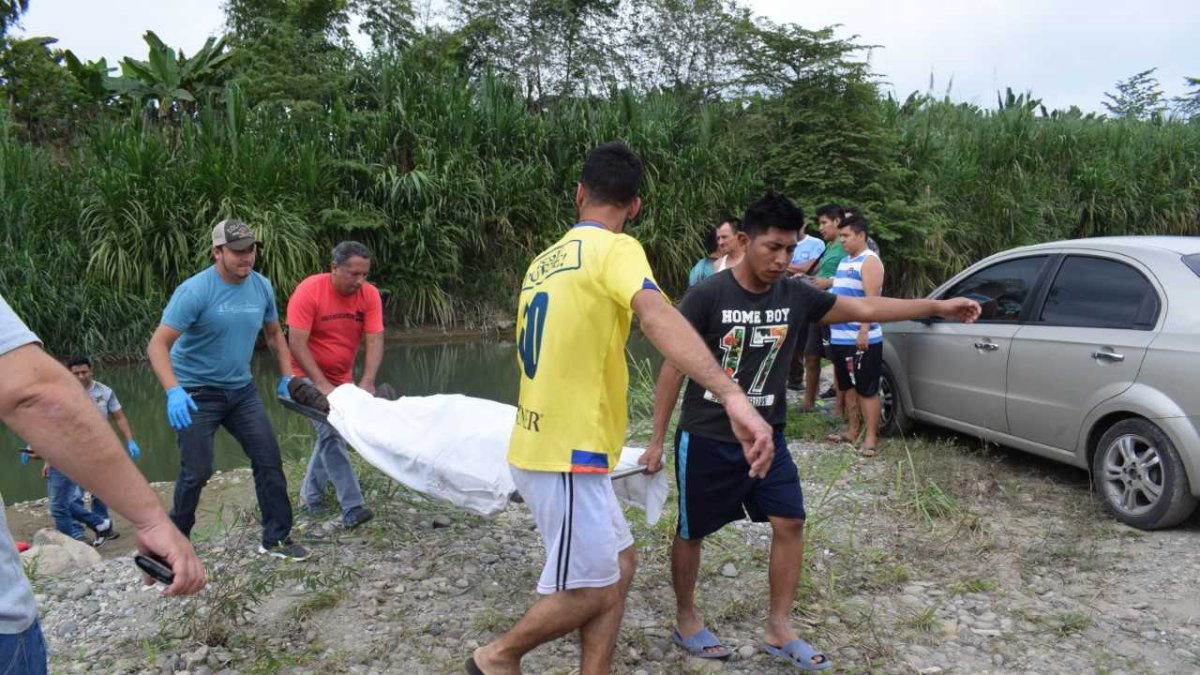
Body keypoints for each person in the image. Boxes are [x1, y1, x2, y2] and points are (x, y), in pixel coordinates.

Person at [466, 142, 775, 675]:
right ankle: (496, 658)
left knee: (621, 563)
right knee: (593, 587)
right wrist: (731, 394)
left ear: (579, 193)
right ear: (634, 206)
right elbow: (656, 315)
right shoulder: (616, 249)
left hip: (557, 442)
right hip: (564, 451)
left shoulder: (542, 262)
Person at [639, 193, 980, 671]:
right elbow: (673, 368)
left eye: (789, 248)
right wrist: (656, 440)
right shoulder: (707, 295)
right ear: (743, 241)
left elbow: (864, 309)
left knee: (791, 521)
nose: (782, 260)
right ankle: (687, 618)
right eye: (772, 248)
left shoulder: (796, 294)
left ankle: (779, 627)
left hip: (768, 437)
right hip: (708, 435)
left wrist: (937, 307)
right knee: (693, 531)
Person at [0, 294, 205, 674]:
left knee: (70, 503)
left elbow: (112, 415)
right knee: (62, 504)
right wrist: (151, 520)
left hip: (80, 448)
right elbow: (35, 397)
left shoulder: (103, 391)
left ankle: (93, 530)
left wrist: (128, 439)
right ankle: (83, 535)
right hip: (68, 448)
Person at [147, 218, 308, 561]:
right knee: (197, 471)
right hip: (195, 392)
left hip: (241, 390)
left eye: (249, 249)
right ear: (217, 252)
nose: (245, 257)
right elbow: (157, 345)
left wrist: (287, 376)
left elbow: (275, 334)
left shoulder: (261, 286)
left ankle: (276, 539)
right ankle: (176, 546)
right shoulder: (195, 291)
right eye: (236, 252)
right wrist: (173, 390)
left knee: (268, 459)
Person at [287, 240, 383, 529]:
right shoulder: (310, 291)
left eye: (364, 274)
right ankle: (352, 506)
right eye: (354, 274)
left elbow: (375, 338)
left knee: (332, 432)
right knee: (331, 428)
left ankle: (309, 498)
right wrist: (321, 384)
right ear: (334, 268)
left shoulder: (369, 295)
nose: (360, 281)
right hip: (302, 378)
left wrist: (366, 382)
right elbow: (296, 342)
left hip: (343, 380)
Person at [36, 356, 141, 546]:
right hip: (71, 451)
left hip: (99, 447)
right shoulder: (61, 394)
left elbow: (119, 417)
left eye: (84, 372)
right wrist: (48, 460)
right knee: (72, 495)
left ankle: (102, 526)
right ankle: (78, 533)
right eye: (75, 373)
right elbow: (54, 427)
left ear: (91, 370)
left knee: (100, 491)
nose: (81, 376)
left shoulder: (104, 392)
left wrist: (130, 440)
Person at [827, 213, 886, 455]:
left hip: (862, 338)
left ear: (861, 236)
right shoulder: (845, 261)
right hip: (839, 336)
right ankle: (852, 430)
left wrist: (864, 330)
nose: (842, 240)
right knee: (848, 387)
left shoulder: (869, 261)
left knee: (866, 388)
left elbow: (871, 301)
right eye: (840, 236)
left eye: (846, 236)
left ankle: (871, 437)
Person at [799, 203, 848, 412]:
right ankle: (808, 403)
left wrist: (829, 282)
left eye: (824, 223)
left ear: (837, 222)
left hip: (835, 307)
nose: (821, 228)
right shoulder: (828, 247)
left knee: (837, 358)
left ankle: (839, 407)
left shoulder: (846, 246)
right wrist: (808, 279)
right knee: (811, 355)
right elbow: (822, 275)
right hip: (817, 306)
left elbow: (853, 276)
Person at [786, 226, 825, 389]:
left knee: (804, 342)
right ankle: (790, 378)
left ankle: (797, 379)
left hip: (808, 298)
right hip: (785, 296)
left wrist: (785, 267)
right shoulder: (785, 241)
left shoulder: (817, 243)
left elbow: (811, 268)